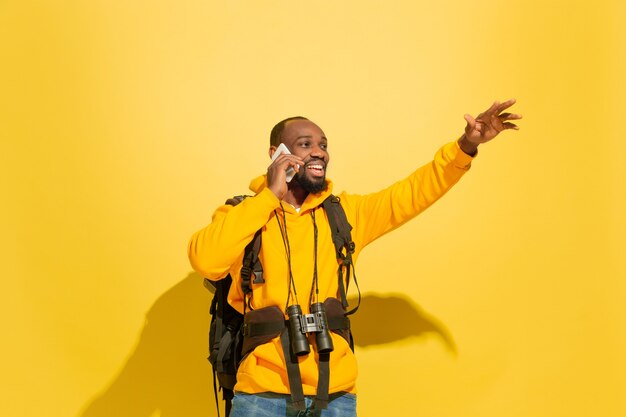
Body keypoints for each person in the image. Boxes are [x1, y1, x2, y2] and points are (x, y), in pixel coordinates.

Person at [188, 99, 521, 417]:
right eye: (305, 144)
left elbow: (413, 192)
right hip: (261, 393)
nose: (319, 151)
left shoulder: (346, 214)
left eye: (323, 144)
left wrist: (465, 145)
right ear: (277, 154)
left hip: (335, 393)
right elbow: (206, 259)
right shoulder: (243, 213)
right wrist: (269, 196)